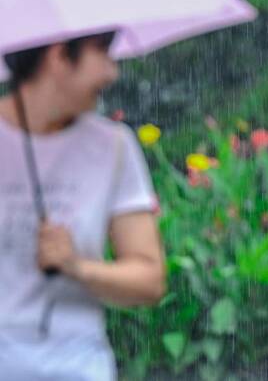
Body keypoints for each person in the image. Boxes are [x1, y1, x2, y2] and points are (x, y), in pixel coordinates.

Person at [0, 33, 166, 380]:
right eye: (102, 52)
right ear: (60, 56)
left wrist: (77, 266)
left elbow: (149, 280)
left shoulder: (113, 146)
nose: (112, 72)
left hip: (78, 363)